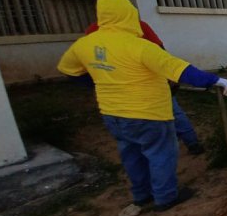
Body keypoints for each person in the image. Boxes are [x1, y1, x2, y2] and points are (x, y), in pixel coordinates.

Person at [58, 0, 227, 216]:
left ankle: (141, 196)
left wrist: (100, 80)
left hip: (112, 114)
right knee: (160, 154)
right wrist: (215, 80)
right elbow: (178, 69)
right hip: (148, 112)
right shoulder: (138, 46)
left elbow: (68, 70)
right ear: (128, 15)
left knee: (131, 155)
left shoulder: (84, 44)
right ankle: (165, 197)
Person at [85, 19, 204, 155]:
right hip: (142, 84)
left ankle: (184, 143)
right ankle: (186, 143)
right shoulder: (135, 25)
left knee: (160, 113)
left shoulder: (94, 31)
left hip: (124, 88)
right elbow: (160, 51)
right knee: (170, 111)